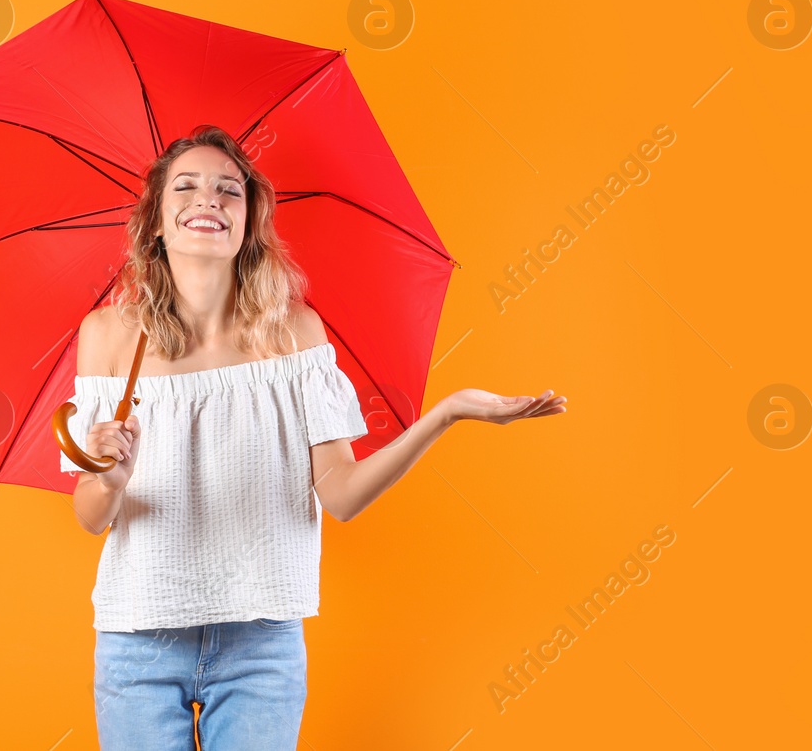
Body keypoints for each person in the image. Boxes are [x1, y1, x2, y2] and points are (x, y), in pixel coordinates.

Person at [60, 124, 564, 750]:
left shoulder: (296, 334)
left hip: (262, 641)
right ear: (157, 222)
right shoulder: (111, 336)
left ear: (249, 223)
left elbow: (343, 496)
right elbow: (90, 516)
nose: (207, 199)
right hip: (139, 634)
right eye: (185, 187)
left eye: (228, 190)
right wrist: (109, 477)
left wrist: (448, 413)